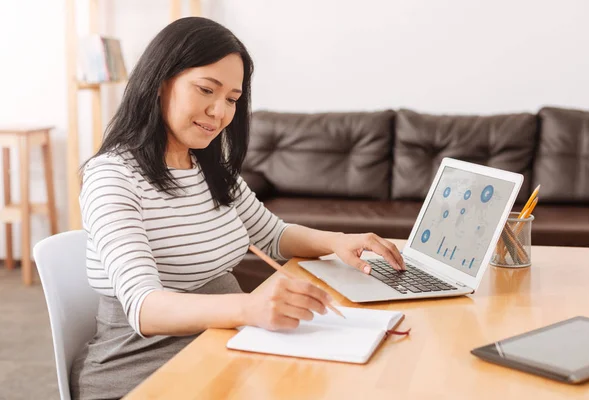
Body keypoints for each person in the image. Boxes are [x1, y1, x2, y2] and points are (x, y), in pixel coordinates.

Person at [70, 16, 405, 399]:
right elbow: (146, 308)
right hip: (144, 373)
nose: (219, 112)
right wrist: (250, 307)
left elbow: (273, 235)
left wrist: (339, 241)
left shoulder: (208, 167)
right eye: (205, 90)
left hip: (218, 348)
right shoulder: (112, 177)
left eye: (231, 99)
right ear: (160, 83)